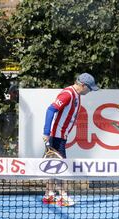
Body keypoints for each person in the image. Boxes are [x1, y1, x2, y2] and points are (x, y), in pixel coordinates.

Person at [42, 73, 98, 206]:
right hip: (57, 136)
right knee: (62, 167)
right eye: (89, 88)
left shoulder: (76, 95)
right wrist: (46, 132)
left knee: (54, 165)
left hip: (61, 136)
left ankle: (49, 195)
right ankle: (63, 197)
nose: (90, 91)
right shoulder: (68, 94)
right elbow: (50, 110)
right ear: (83, 86)